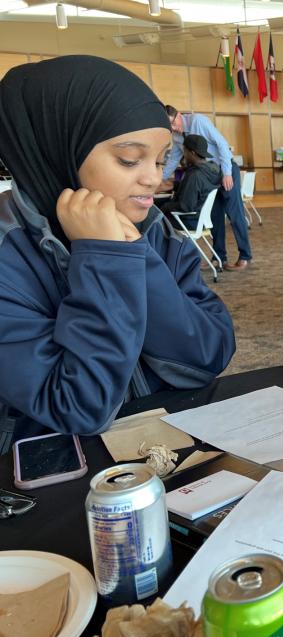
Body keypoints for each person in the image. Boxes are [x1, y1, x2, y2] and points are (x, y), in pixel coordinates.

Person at [0, 56, 236, 448]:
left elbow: (207, 355)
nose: (154, 178)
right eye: (130, 159)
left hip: (165, 450)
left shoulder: (153, 230)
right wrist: (105, 260)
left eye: (161, 159)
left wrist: (135, 254)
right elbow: (78, 407)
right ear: (58, 148)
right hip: (62, 481)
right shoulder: (9, 255)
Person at [163, 105, 252, 270]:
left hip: (225, 169)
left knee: (235, 213)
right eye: (170, 127)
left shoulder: (198, 121)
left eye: (173, 123)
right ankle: (219, 257)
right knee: (215, 216)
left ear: (179, 115)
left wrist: (226, 173)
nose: (173, 128)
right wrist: (160, 178)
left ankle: (245, 255)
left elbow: (222, 144)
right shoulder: (176, 136)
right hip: (208, 174)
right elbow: (174, 159)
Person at [160, 134, 221, 230]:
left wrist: (165, 207)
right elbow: (196, 189)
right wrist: (174, 185)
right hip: (200, 218)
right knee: (157, 204)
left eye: (184, 151)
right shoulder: (212, 169)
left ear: (192, 153)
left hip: (188, 220)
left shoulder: (195, 175)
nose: (183, 154)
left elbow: (186, 206)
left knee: (153, 214)